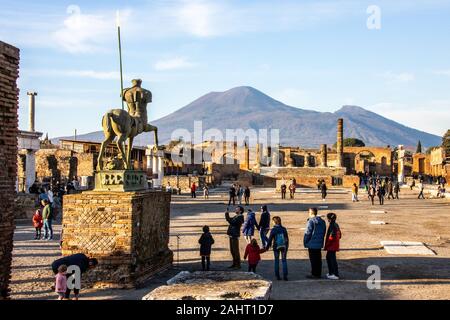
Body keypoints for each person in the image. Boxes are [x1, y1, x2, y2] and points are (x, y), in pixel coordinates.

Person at [303, 207, 326, 279]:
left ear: (311, 213)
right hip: (319, 243)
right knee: (318, 259)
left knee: (313, 259)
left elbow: (308, 233)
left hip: (312, 243)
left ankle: (314, 274)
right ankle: (318, 273)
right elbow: (324, 231)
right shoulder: (322, 221)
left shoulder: (310, 221)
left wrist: (305, 241)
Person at [266, 216, 289, 281]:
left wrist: (267, 247)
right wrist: (287, 247)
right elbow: (287, 239)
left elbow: (270, 239)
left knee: (276, 261)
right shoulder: (284, 229)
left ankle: (277, 276)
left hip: (276, 246)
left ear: (274, 222)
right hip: (284, 246)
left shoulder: (273, 230)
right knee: (284, 261)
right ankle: (285, 276)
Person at [324, 213, 342, 280]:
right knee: (329, 258)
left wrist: (327, 244)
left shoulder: (332, 225)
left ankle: (335, 273)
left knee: (332, 259)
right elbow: (340, 235)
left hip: (331, 245)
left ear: (329, 219)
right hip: (334, 245)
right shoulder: (336, 224)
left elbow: (331, 237)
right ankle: (331, 272)